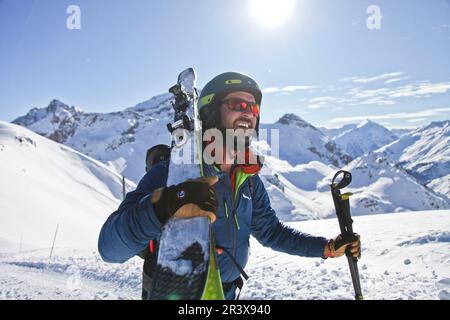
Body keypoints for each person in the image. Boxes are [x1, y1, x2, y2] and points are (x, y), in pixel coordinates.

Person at [98, 72, 361, 300]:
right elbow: (109, 248)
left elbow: (271, 232)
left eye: (253, 108)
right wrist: (163, 205)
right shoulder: (172, 173)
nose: (248, 111)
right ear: (210, 114)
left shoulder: (247, 179)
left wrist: (326, 248)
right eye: (237, 104)